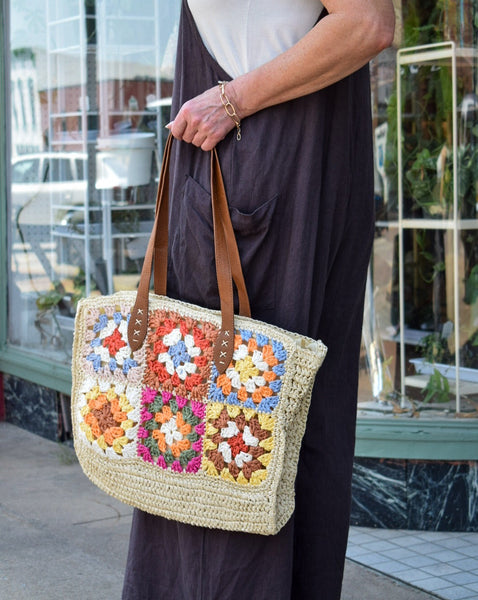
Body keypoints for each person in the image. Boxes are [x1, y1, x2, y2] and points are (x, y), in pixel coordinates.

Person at [122, 1, 395, 599]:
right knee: (259, 435)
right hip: (287, 174)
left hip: (259, 177)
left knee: (227, 444)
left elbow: (369, 22)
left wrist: (230, 100)